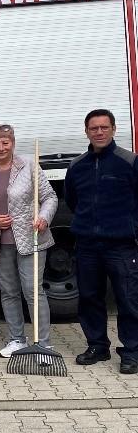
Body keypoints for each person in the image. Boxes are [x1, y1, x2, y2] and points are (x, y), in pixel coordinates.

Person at [0, 123, 58, 358]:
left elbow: (49, 197)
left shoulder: (28, 165)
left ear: (13, 143)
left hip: (31, 238)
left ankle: (43, 344)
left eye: (5, 142)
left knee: (32, 291)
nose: (0, 147)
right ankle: (17, 339)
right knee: (8, 292)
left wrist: (44, 217)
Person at [65, 109, 138, 374]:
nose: (99, 132)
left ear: (114, 129)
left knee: (128, 299)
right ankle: (97, 346)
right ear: (86, 132)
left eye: (104, 127)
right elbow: (73, 201)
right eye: (94, 128)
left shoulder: (129, 162)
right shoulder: (77, 166)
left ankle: (131, 351)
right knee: (89, 297)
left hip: (121, 244)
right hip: (87, 245)